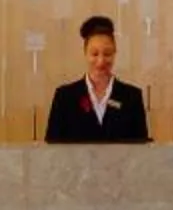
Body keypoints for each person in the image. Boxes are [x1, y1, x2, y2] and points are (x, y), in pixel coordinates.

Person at [45, 14, 150, 144]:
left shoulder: (132, 97)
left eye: (107, 54)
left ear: (115, 54)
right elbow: (52, 150)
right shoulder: (65, 97)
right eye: (94, 54)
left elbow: (141, 151)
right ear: (85, 53)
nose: (101, 61)